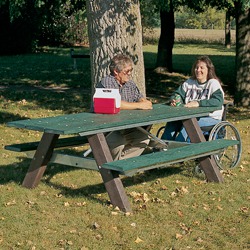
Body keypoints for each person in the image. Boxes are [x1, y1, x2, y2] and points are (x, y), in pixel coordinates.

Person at [95, 54, 153, 160]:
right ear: (116, 72)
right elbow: (115, 103)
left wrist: (144, 102)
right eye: (127, 71)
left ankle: (120, 163)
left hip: (125, 125)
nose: (130, 73)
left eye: (131, 70)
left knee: (143, 139)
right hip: (107, 127)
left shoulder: (129, 83)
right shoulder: (107, 82)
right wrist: (139, 105)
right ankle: (113, 166)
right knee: (118, 142)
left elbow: (140, 98)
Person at [161, 55, 224, 142]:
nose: (198, 70)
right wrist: (175, 99)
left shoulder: (213, 83)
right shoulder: (189, 82)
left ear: (208, 70)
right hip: (189, 116)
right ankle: (162, 148)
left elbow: (218, 101)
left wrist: (198, 103)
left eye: (202, 68)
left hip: (209, 118)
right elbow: (177, 94)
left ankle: (178, 151)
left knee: (188, 127)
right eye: (196, 67)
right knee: (172, 123)